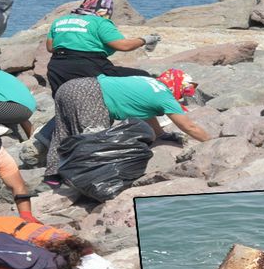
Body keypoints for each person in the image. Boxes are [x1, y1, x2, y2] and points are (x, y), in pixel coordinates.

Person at [33, 0, 162, 147]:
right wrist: (145, 39)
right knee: (141, 80)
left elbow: (50, 47)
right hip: (89, 65)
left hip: (57, 67)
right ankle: (154, 132)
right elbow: (123, 45)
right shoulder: (100, 22)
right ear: (105, 8)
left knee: (69, 102)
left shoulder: (61, 21)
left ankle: (46, 137)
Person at [43, 73, 211, 186]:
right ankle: (87, 179)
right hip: (92, 95)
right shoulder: (164, 95)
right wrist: (213, 143)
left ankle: (53, 174)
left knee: (63, 131)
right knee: (95, 139)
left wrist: (160, 134)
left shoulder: (149, 82)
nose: (184, 95)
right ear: (178, 85)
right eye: (185, 91)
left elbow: (146, 111)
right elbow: (189, 126)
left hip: (71, 86)